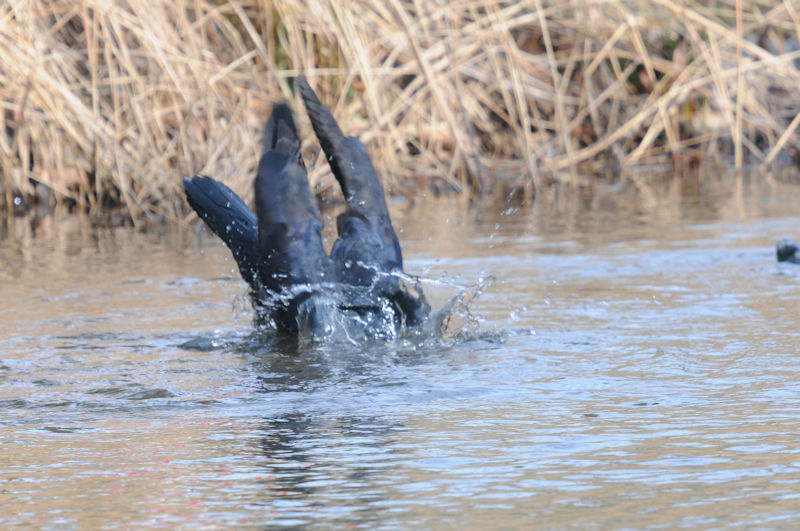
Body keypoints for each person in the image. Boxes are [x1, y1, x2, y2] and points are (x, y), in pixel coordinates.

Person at [184, 76, 429, 339]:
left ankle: (194, 182)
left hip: (285, 254)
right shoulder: (374, 285)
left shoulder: (378, 294)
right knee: (305, 267)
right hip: (285, 255)